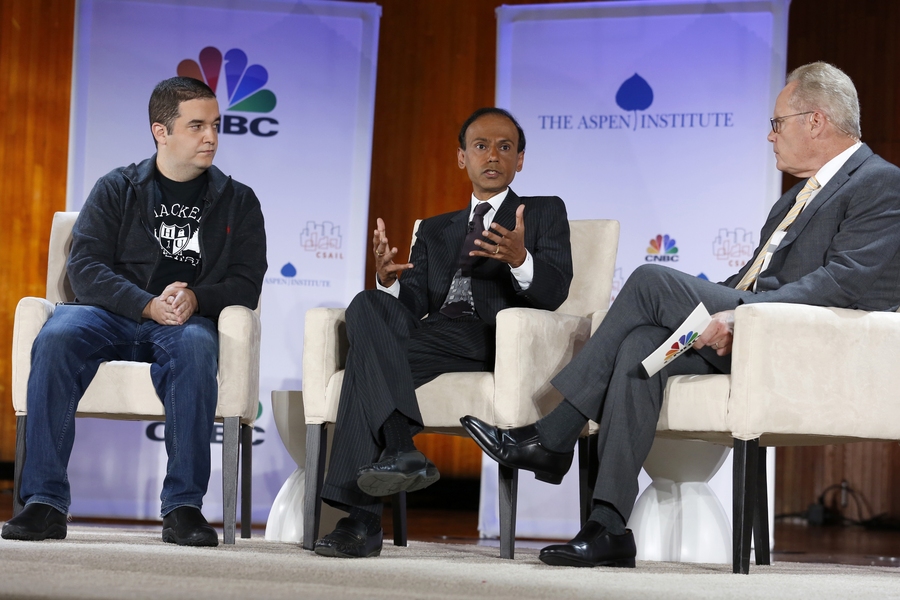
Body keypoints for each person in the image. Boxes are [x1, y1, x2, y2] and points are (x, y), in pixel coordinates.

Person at [463, 61, 900, 568]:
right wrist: (723, 307)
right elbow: (748, 280)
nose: (769, 136)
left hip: (799, 345)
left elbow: (843, 283)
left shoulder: (879, 183)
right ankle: (608, 527)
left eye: (778, 123)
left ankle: (556, 433)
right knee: (637, 345)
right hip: (755, 330)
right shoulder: (790, 203)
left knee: (651, 279)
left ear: (816, 121)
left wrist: (745, 316)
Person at [1, 77, 267, 547]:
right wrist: (145, 303)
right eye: (197, 126)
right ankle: (43, 503)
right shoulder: (118, 187)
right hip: (109, 311)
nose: (211, 137)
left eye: (215, 125)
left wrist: (197, 298)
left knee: (197, 348)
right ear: (160, 132)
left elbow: (247, 281)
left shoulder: (238, 200)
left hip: (185, 320)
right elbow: (83, 267)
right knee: (58, 336)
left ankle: (183, 508)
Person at [313, 107, 573, 558]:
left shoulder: (543, 212)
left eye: (505, 147)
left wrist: (520, 260)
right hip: (435, 334)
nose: (493, 155)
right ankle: (398, 448)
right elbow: (411, 309)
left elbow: (555, 292)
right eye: (480, 146)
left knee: (366, 359)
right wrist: (388, 282)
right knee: (367, 307)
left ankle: (362, 519)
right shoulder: (434, 229)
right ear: (462, 158)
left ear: (521, 160)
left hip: (492, 337)